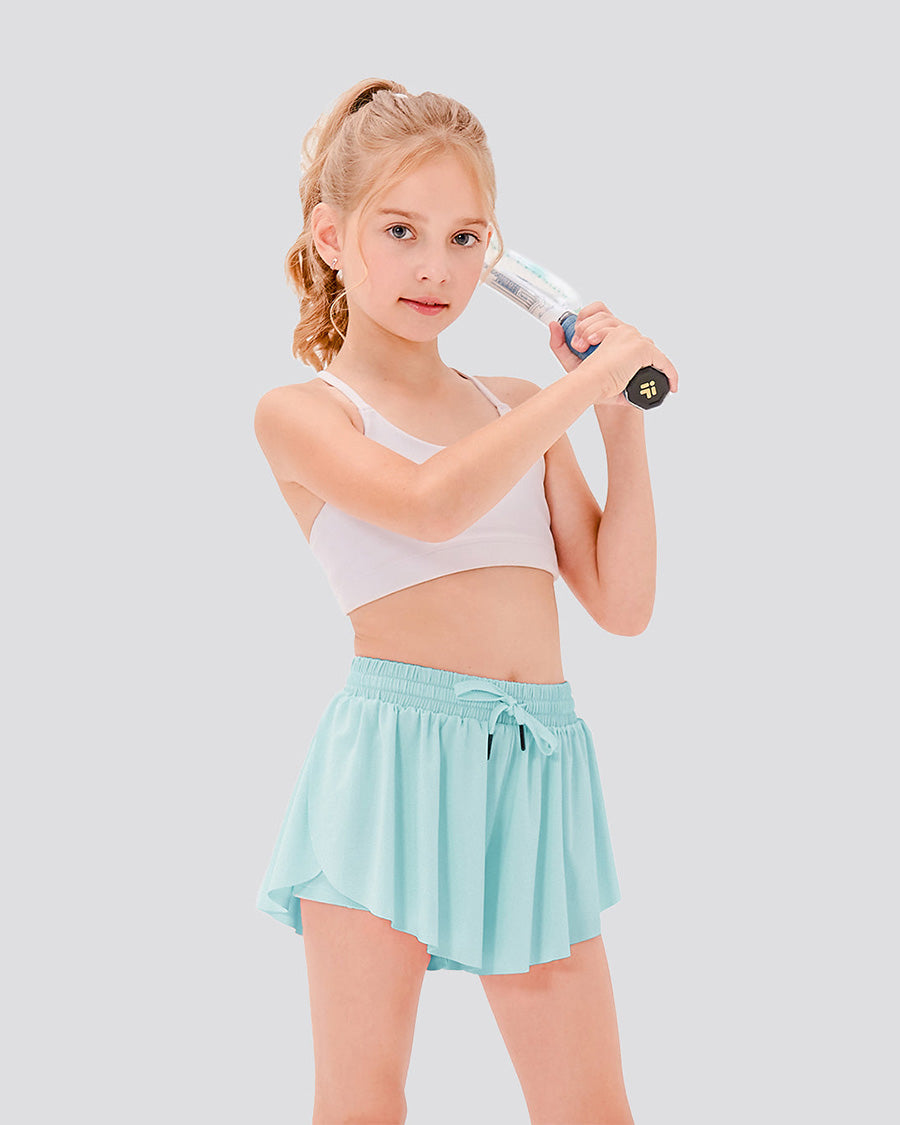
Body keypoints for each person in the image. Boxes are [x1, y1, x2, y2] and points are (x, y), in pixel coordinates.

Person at [254, 77, 679, 1125]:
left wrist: (621, 419)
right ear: (332, 235)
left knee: (591, 1108)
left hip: (537, 765)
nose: (435, 267)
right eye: (400, 230)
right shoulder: (305, 413)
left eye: (464, 238)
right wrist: (587, 386)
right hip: (392, 760)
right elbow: (430, 507)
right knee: (363, 1102)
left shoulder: (517, 406)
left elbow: (620, 605)